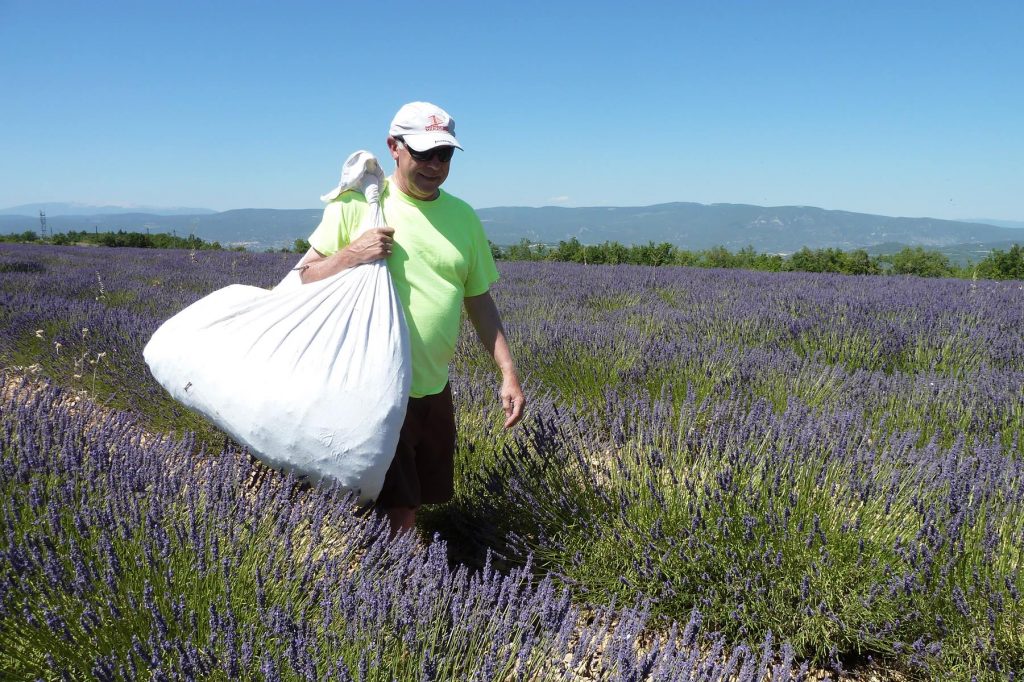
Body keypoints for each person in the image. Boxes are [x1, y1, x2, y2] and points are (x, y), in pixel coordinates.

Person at [297, 101, 525, 533]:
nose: (434, 165)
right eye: (423, 153)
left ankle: (382, 578)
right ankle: (390, 591)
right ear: (394, 148)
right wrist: (352, 254)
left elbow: (478, 300)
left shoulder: (463, 217)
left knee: (415, 499)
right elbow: (303, 277)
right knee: (397, 510)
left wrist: (508, 371)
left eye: (444, 155)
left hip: (432, 387)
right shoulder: (357, 206)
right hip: (371, 386)